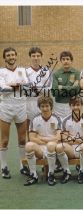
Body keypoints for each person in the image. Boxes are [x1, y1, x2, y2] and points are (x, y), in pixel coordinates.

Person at [0, 47, 30, 179]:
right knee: (5, 140)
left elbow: (28, 87)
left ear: (16, 56)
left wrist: (10, 85)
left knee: (23, 139)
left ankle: (23, 165)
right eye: (8, 55)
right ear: (4, 58)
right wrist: (18, 86)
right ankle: (4, 167)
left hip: (21, 106)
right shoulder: (1, 72)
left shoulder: (23, 70)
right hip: (6, 107)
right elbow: (2, 89)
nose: (11, 57)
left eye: (13, 54)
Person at [24, 96, 61, 186]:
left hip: (52, 148)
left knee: (51, 145)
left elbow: (58, 138)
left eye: (47, 106)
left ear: (51, 106)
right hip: (40, 149)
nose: (45, 109)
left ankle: (51, 174)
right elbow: (32, 138)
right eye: (42, 106)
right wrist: (48, 139)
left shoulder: (57, 118)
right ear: (39, 107)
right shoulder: (35, 119)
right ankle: (33, 175)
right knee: (28, 145)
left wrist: (41, 138)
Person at [25, 47, 52, 127]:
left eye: (38, 56)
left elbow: (49, 89)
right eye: (33, 56)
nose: (36, 58)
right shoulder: (25, 72)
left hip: (42, 103)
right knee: (28, 128)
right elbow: (24, 89)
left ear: (41, 57)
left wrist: (35, 88)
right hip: (28, 103)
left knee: (42, 127)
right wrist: (39, 88)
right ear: (30, 57)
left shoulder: (46, 71)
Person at [51, 51, 80, 120]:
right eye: (63, 59)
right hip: (59, 105)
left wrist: (61, 87)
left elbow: (77, 90)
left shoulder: (76, 73)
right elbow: (54, 92)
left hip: (73, 105)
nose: (65, 61)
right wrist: (71, 88)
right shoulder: (56, 74)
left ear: (71, 61)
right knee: (59, 127)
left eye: (67, 59)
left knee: (72, 127)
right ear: (61, 61)